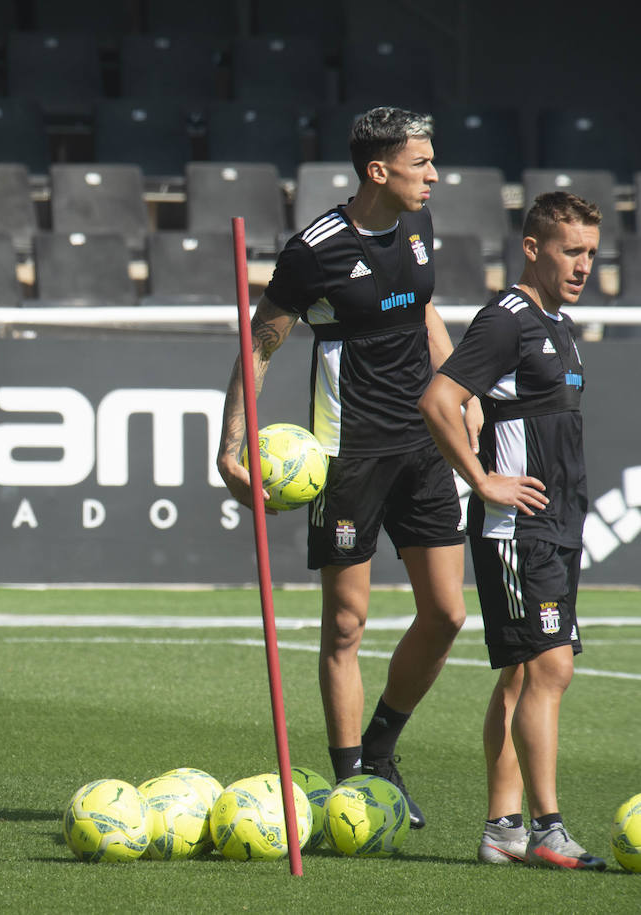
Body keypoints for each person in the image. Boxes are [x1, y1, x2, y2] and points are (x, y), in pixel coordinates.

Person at [216, 107, 475, 828]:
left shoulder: (420, 226)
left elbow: (425, 315)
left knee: (449, 612)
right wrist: (230, 445)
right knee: (346, 624)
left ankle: (382, 744)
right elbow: (259, 345)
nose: (433, 174)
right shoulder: (315, 250)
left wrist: (458, 390)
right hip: (347, 454)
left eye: (432, 161)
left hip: (423, 445)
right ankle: (353, 783)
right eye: (421, 162)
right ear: (378, 170)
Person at [420, 192, 606, 870]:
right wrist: (481, 478)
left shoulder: (558, 323)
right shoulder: (508, 320)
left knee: (525, 672)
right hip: (516, 528)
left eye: (592, 252)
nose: (585, 264)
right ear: (533, 248)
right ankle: (548, 825)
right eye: (571, 250)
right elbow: (440, 399)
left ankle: (503, 826)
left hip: (555, 526)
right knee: (550, 665)